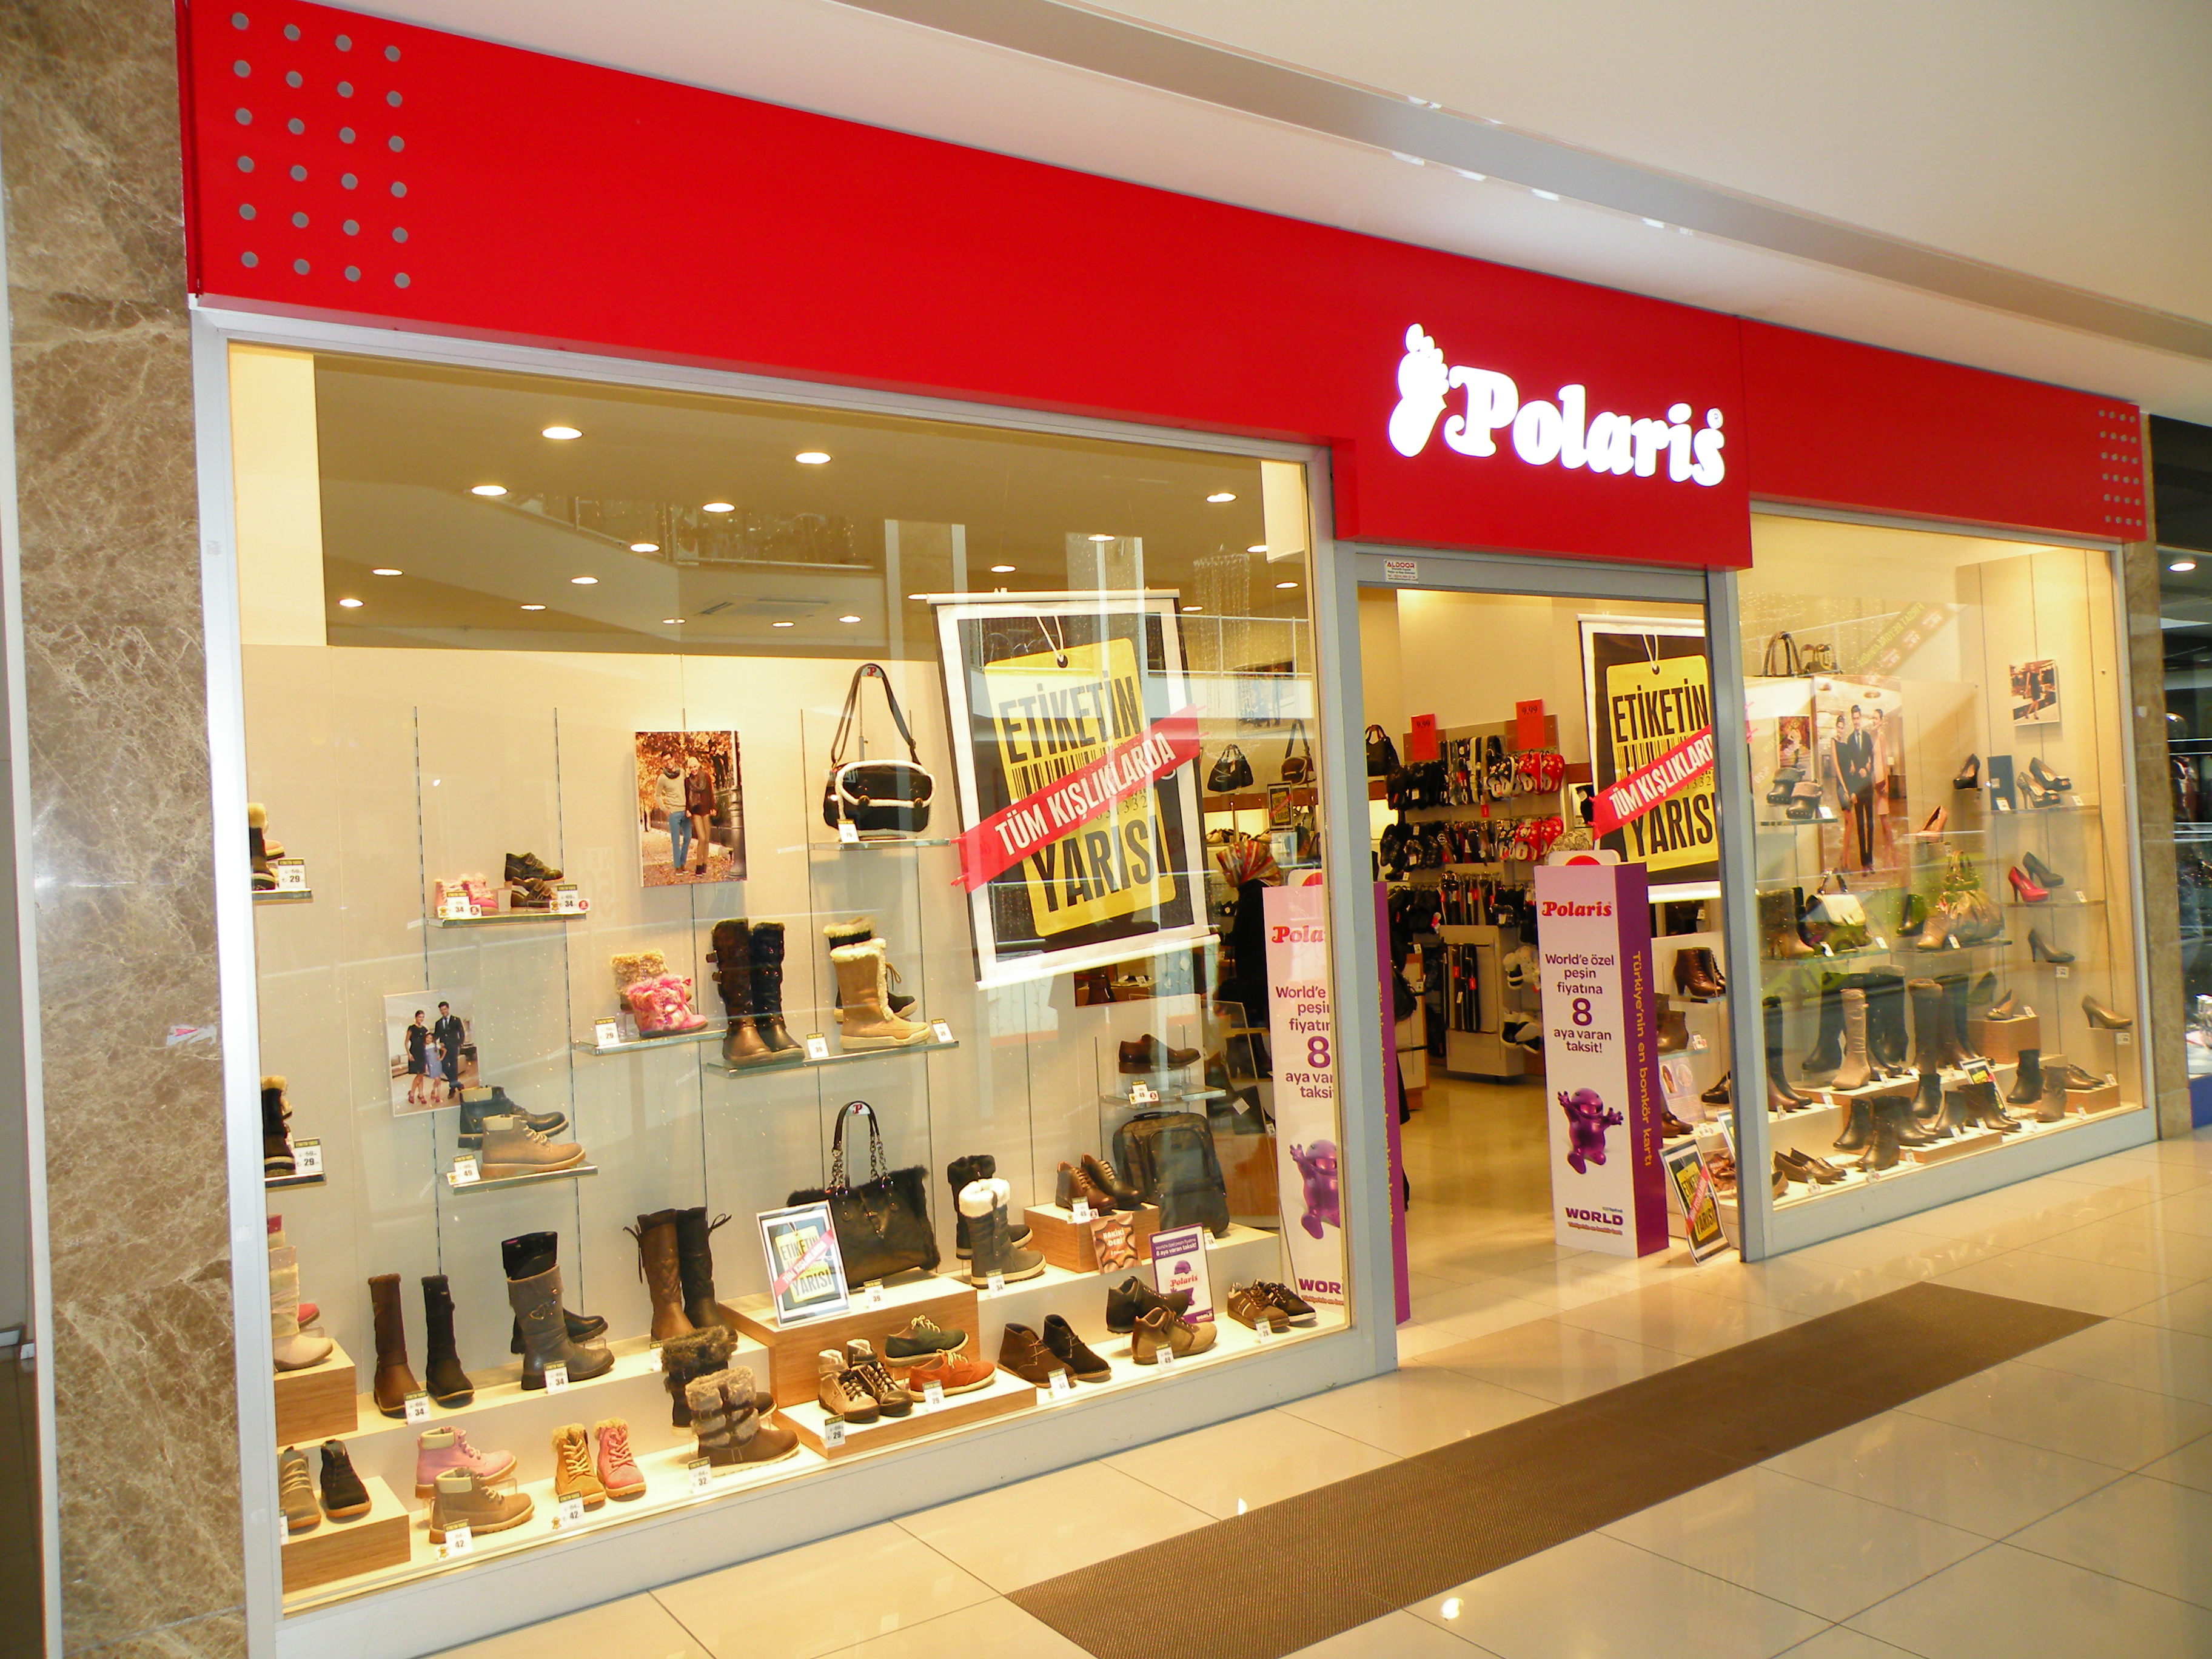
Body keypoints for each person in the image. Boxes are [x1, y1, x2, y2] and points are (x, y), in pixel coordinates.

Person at [1839, 704, 1876, 871]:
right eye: (1853, 719)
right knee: (1860, 824)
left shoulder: (1867, 737)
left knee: (1870, 824)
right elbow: (1850, 765)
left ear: (1861, 718)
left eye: (1857, 718)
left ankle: (1870, 860)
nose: (1856, 721)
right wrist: (1857, 770)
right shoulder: (1849, 740)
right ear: (1852, 719)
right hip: (1857, 788)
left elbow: (1872, 760)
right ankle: (1863, 863)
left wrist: (1867, 769)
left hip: (1868, 786)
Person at [654, 760, 688, 874]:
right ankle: (678, 866)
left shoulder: (682, 773)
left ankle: (683, 863)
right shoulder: (662, 778)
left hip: (685, 810)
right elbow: (657, 795)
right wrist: (665, 809)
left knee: (688, 837)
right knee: (676, 840)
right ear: (663, 763)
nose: (668, 762)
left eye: (670, 759)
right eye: (665, 760)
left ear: (673, 759)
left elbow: (688, 790)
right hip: (673, 813)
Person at [685, 752, 716, 877]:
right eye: (691, 767)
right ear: (689, 769)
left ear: (698, 766)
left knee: (707, 839)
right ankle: (698, 866)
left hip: (706, 809)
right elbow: (687, 796)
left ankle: (704, 864)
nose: (693, 769)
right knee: (701, 838)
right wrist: (687, 809)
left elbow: (711, 793)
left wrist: (713, 807)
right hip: (695, 811)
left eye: (695, 767)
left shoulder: (706, 777)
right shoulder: (688, 781)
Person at [433, 1000, 468, 1102]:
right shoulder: (438, 1023)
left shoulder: (456, 1020)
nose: (443, 1011)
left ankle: (452, 1089)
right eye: (441, 1010)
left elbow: (462, 1032)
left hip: (454, 1047)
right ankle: (457, 1084)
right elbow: (436, 1035)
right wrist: (431, 1040)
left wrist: (460, 1044)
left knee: (454, 1067)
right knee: (444, 1066)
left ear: (448, 1009)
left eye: (445, 1009)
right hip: (443, 1049)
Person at [405, 1010, 429, 1106]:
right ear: (416, 1018)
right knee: (420, 1075)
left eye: (423, 1017)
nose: (421, 1019)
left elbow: (427, 1041)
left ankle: (420, 1094)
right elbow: (406, 1042)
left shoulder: (424, 1029)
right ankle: (413, 1093)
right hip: (414, 1053)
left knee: (421, 1074)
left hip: (422, 1053)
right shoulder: (411, 1028)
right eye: (420, 1017)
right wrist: (409, 1054)